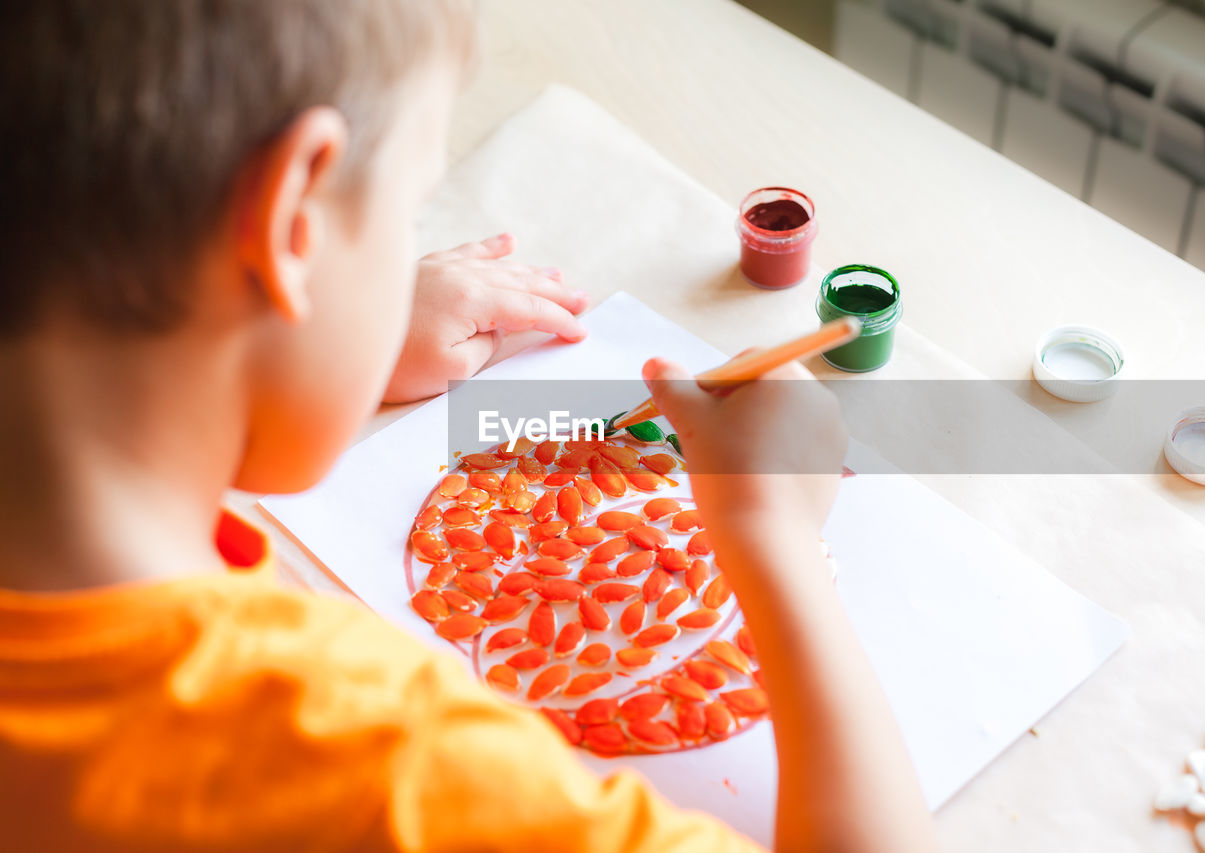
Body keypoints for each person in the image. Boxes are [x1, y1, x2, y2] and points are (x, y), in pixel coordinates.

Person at [0, 1, 937, 850]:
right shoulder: (385, 770)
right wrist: (774, 541)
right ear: (289, 227)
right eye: (404, 213)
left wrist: (305, 343)